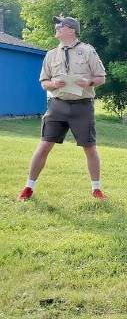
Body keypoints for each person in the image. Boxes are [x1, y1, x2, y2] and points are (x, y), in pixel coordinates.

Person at [17, 16, 107, 201]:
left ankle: (96, 189)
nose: (56, 27)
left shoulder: (88, 51)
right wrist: (53, 83)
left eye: (60, 25)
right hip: (57, 105)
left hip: (82, 106)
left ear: (71, 30)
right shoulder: (51, 54)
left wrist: (89, 81)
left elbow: (101, 77)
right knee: (44, 145)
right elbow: (43, 82)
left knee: (89, 147)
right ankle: (28, 187)